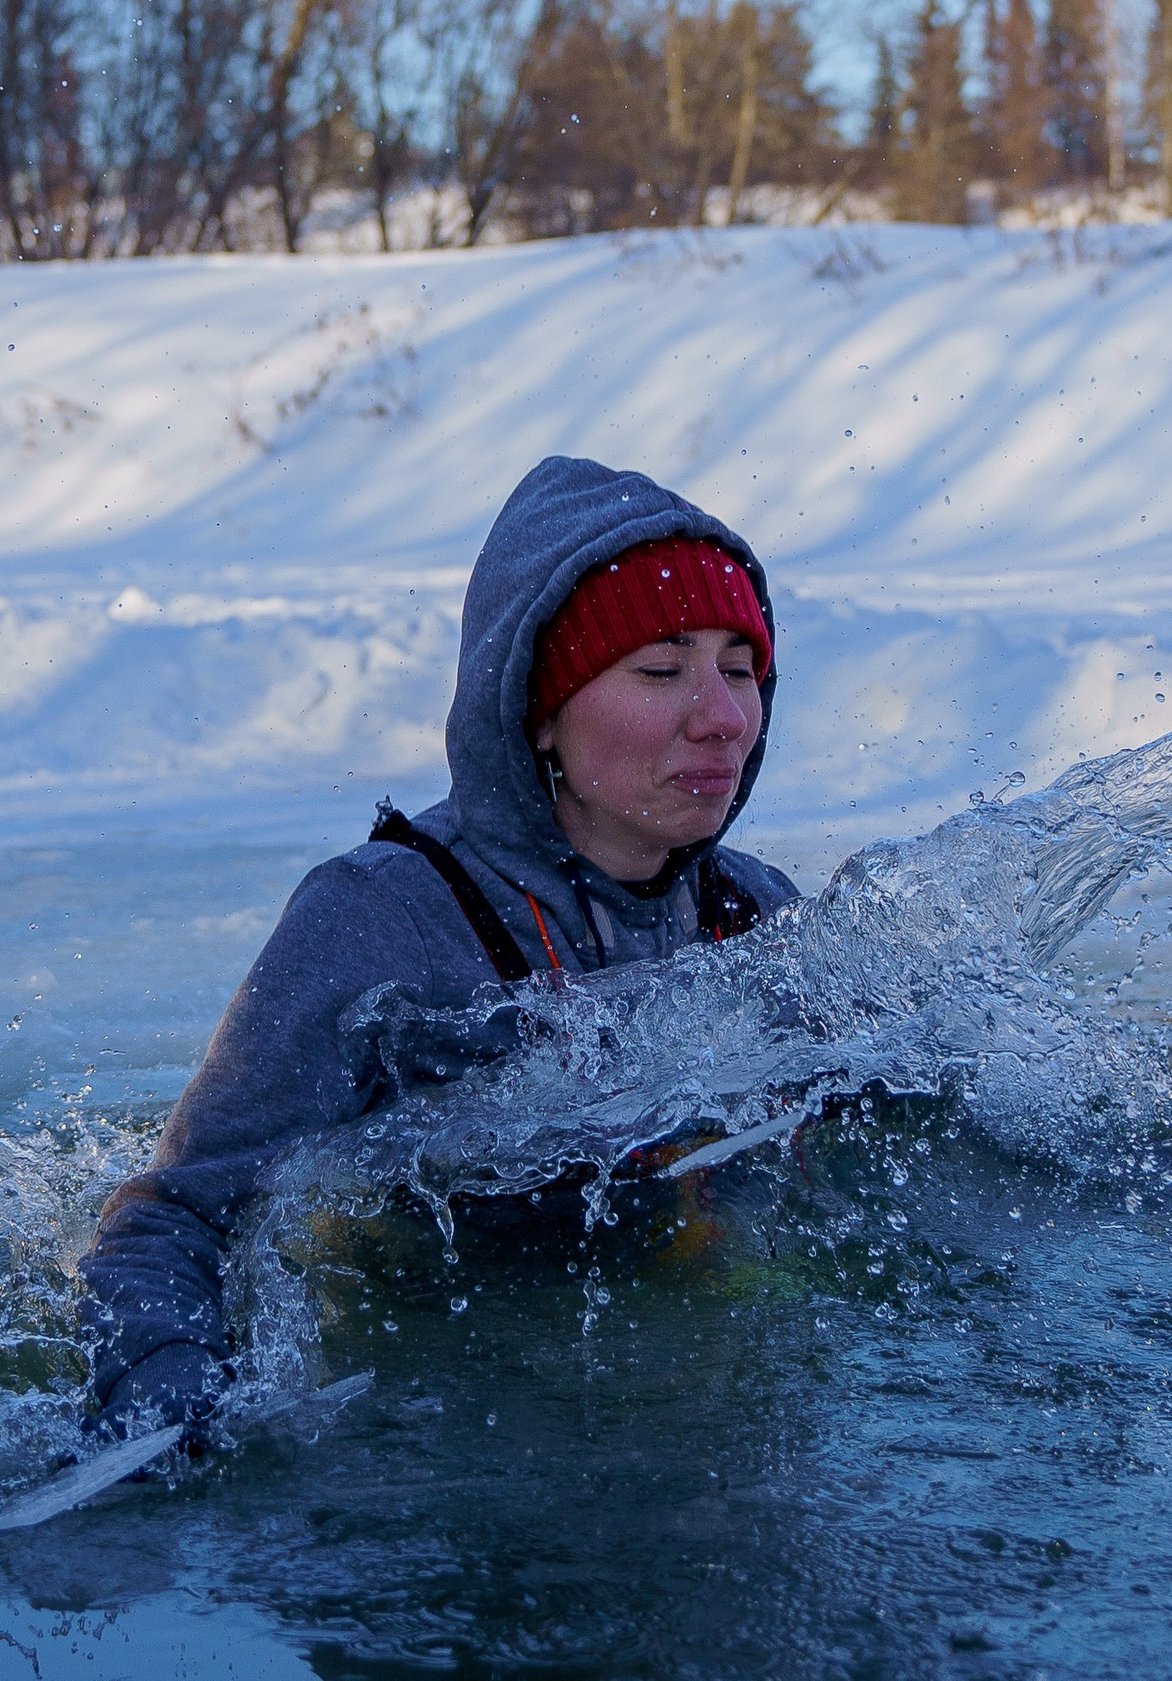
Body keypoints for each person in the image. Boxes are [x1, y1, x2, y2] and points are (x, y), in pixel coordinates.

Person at [78, 457, 799, 1435]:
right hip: (430, 1422)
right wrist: (162, 1387)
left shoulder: (755, 915)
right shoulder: (384, 922)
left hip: (697, 1409)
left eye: (741, 670)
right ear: (538, 710)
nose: (722, 719)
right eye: (662, 670)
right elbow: (176, 1214)